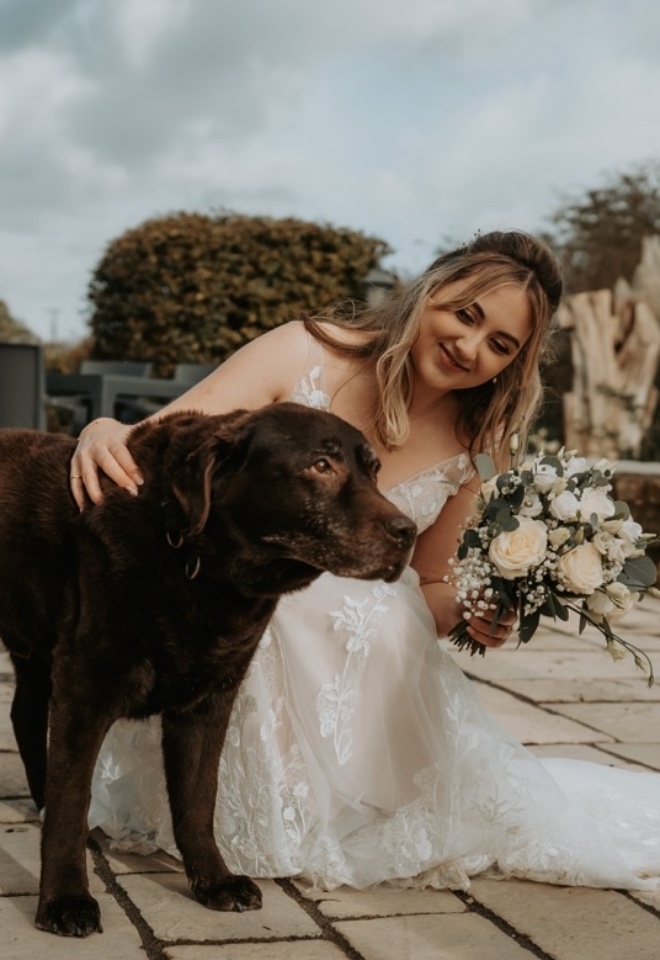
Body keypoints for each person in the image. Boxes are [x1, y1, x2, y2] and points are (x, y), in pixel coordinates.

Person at [78, 230, 660, 892]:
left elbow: (432, 583)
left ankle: (349, 795)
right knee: (281, 585)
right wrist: (103, 432)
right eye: (464, 315)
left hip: (369, 664)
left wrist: (476, 610)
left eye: (501, 345)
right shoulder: (308, 351)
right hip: (231, 608)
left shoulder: (484, 441)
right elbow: (169, 446)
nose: (470, 347)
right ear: (427, 292)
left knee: (363, 607)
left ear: (514, 364)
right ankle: (226, 804)